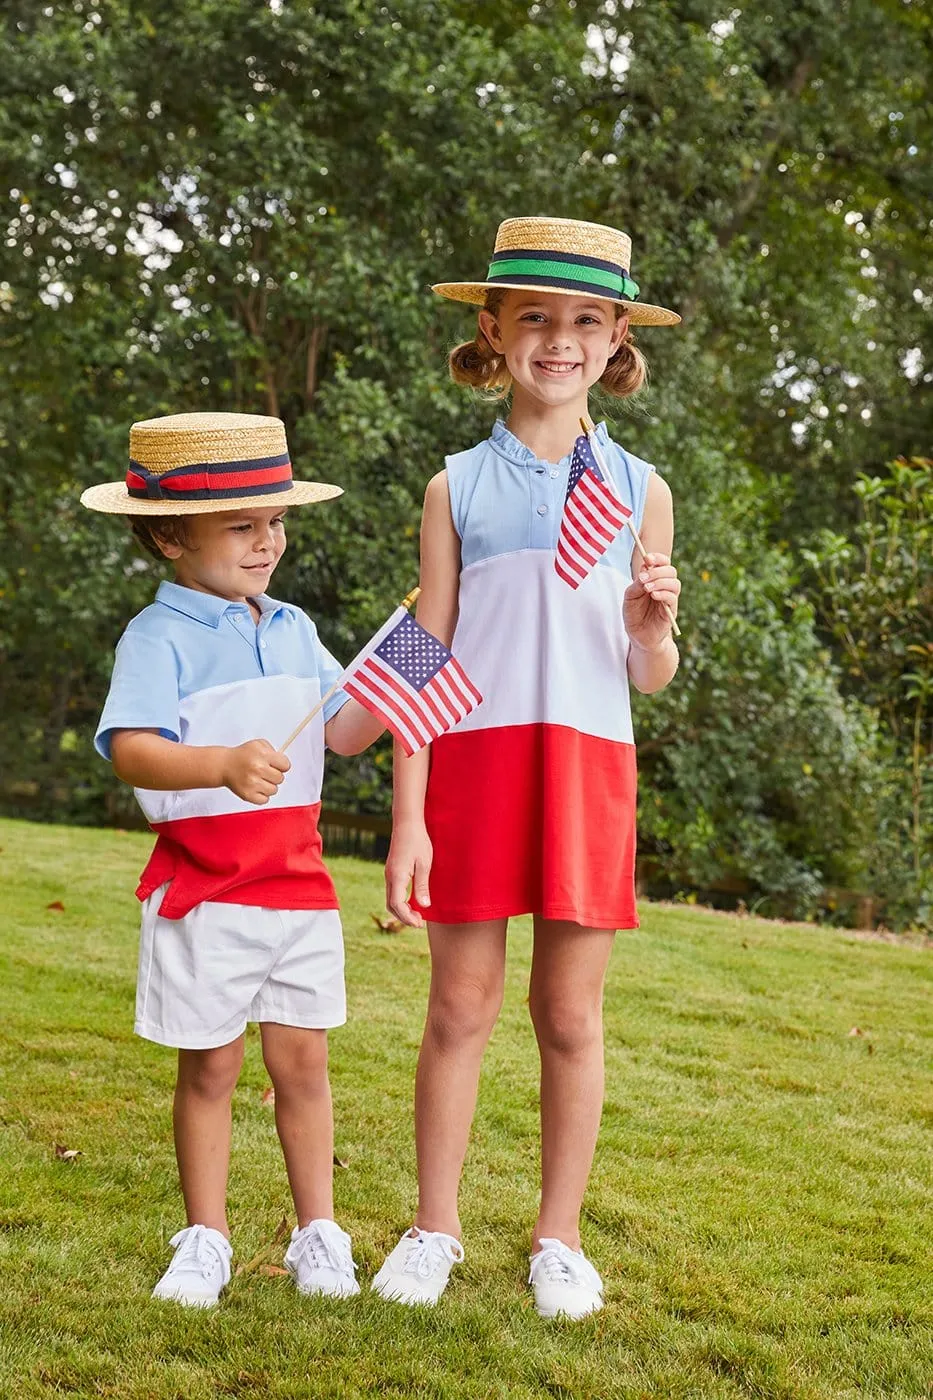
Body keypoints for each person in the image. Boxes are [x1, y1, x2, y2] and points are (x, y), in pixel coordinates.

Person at [373, 217, 682, 1319]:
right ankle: (434, 1223)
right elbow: (423, 656)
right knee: (459, 1003)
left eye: (586, 321)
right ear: (493, 332)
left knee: (569, 1013)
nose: (560, 339)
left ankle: (559, 1234)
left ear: (615, 345)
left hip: (590, 761)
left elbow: (648, 673)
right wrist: (409, 816)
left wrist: (652, 626)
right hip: (475, 763)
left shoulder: (640, 486)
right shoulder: (453, 485)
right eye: (536, 318)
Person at [82, 412, 385, 1307]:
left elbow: (347, 730)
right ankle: (206, 1236)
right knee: (210, 1068)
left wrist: (405, 669)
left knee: (303, 1066)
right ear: (171, 534)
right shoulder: (156, 636)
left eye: (277, 522)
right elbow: (132, 749)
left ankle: (316, 1232)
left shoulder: (293, 627)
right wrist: (217, 763)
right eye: (243, 525)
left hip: (298, 890)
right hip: (205, 894)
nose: (269, 542)